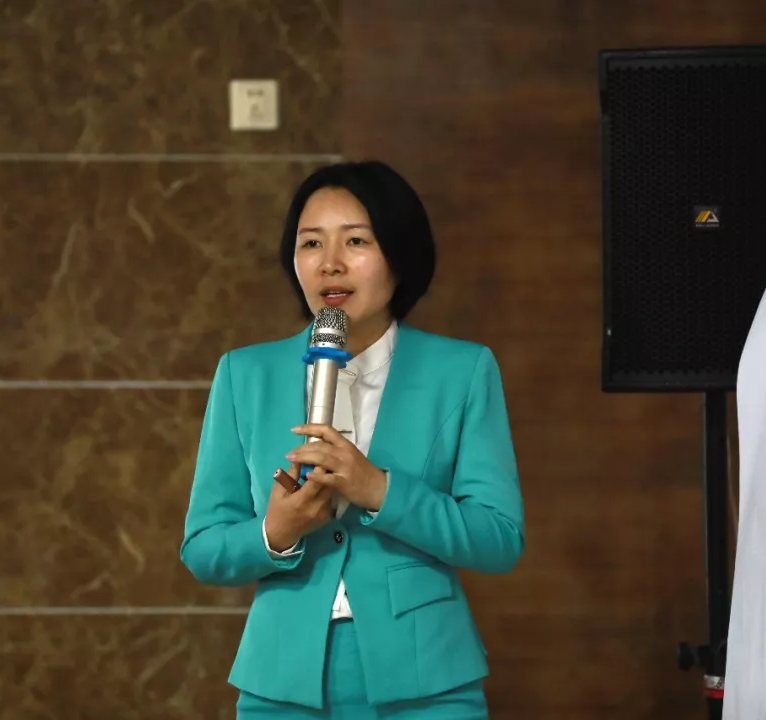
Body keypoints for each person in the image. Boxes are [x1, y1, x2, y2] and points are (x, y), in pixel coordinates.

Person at [180, 160, 525, 719]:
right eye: (311, 243)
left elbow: (499, 539)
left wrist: (380, 490)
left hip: (428, 681)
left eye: (356, 241)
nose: (330, 263)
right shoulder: (245, 375)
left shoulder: (461, 371)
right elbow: (202, 549)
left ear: (400, 256)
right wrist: (276, 532)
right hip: (282, 683)